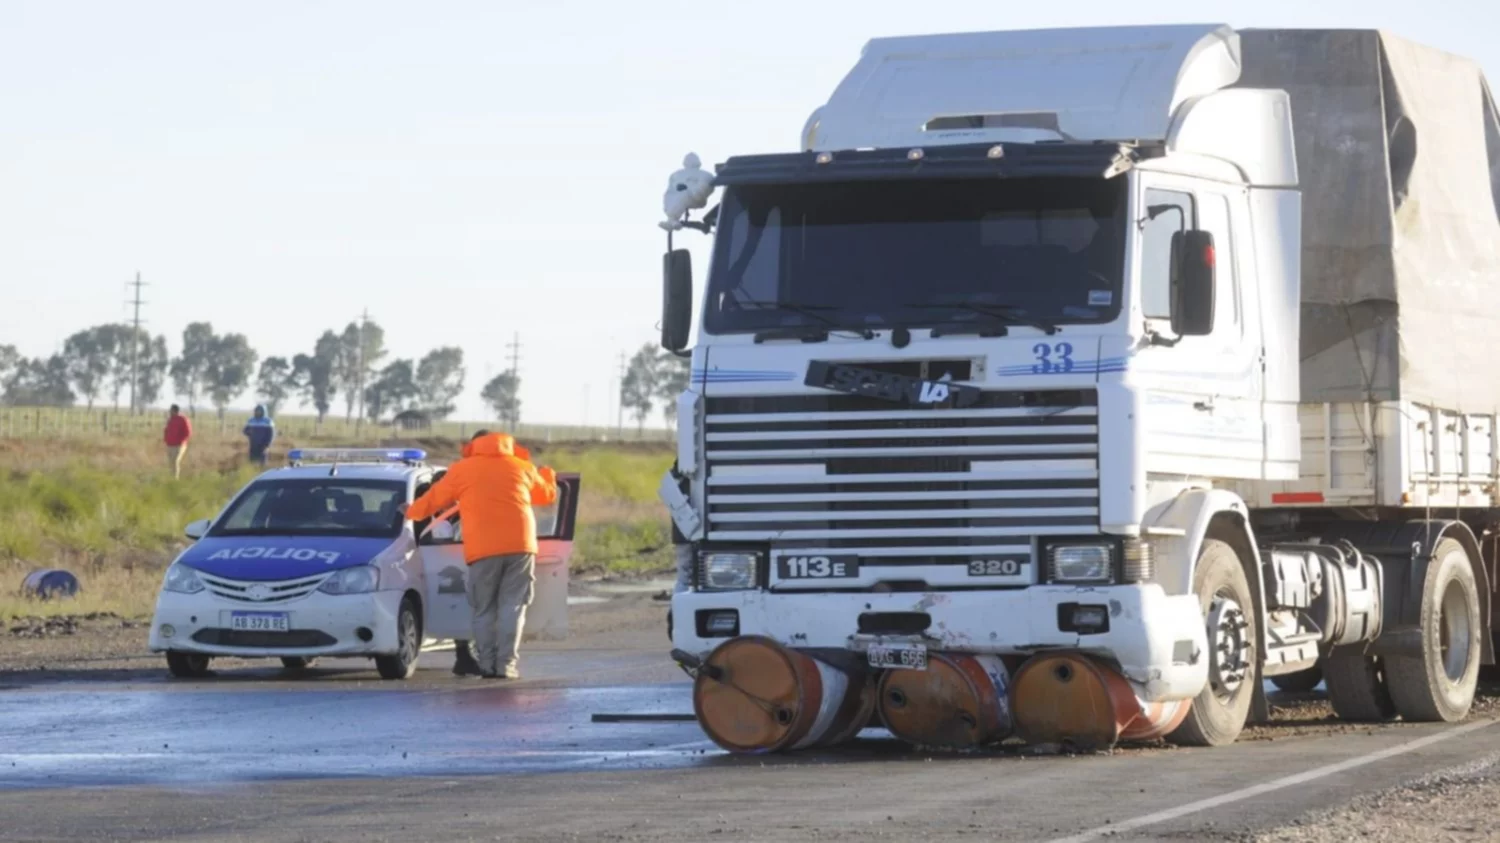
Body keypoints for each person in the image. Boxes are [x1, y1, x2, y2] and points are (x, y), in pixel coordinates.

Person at [403, 431, 558, 679]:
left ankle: (486, 664)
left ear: (473, 446)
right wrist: (548, 476)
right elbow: (546, 495)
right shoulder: (523, 467)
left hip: (483, 549)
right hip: (521, 546)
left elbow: (433, 499)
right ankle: (506, 665)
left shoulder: (462, 469)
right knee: (513, 607)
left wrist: (411, 512)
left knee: (484, 609)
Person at [163, 405, 192, 479]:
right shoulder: (170, 420)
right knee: (171, 463)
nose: (170, 412)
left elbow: (188, 432)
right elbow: (167, 430)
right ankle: (171, 478)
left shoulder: (183, 419)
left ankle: (175, 479)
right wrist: (166, 439)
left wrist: (181, 441)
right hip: (170, 445)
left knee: (175, 461)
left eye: (171, 411)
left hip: (179, 445)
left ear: (175, 411)